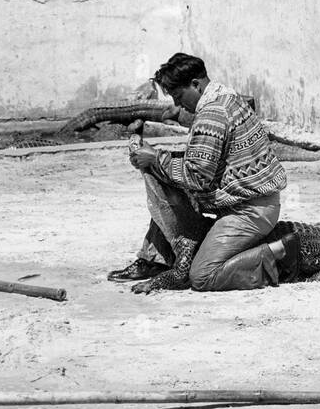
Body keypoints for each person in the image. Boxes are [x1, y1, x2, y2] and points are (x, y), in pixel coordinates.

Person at [110, 53, 297, 293]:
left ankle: (278, 253)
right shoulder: (225, 95)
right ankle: (155, 259)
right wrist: (158, 160)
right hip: (244, 199)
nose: (178, 105)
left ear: (196, 85)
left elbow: (197, 177)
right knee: (163, 179)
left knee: (202, 276)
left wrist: (155, 157)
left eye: (178, 97)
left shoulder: (212, 114)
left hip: (249, 210)